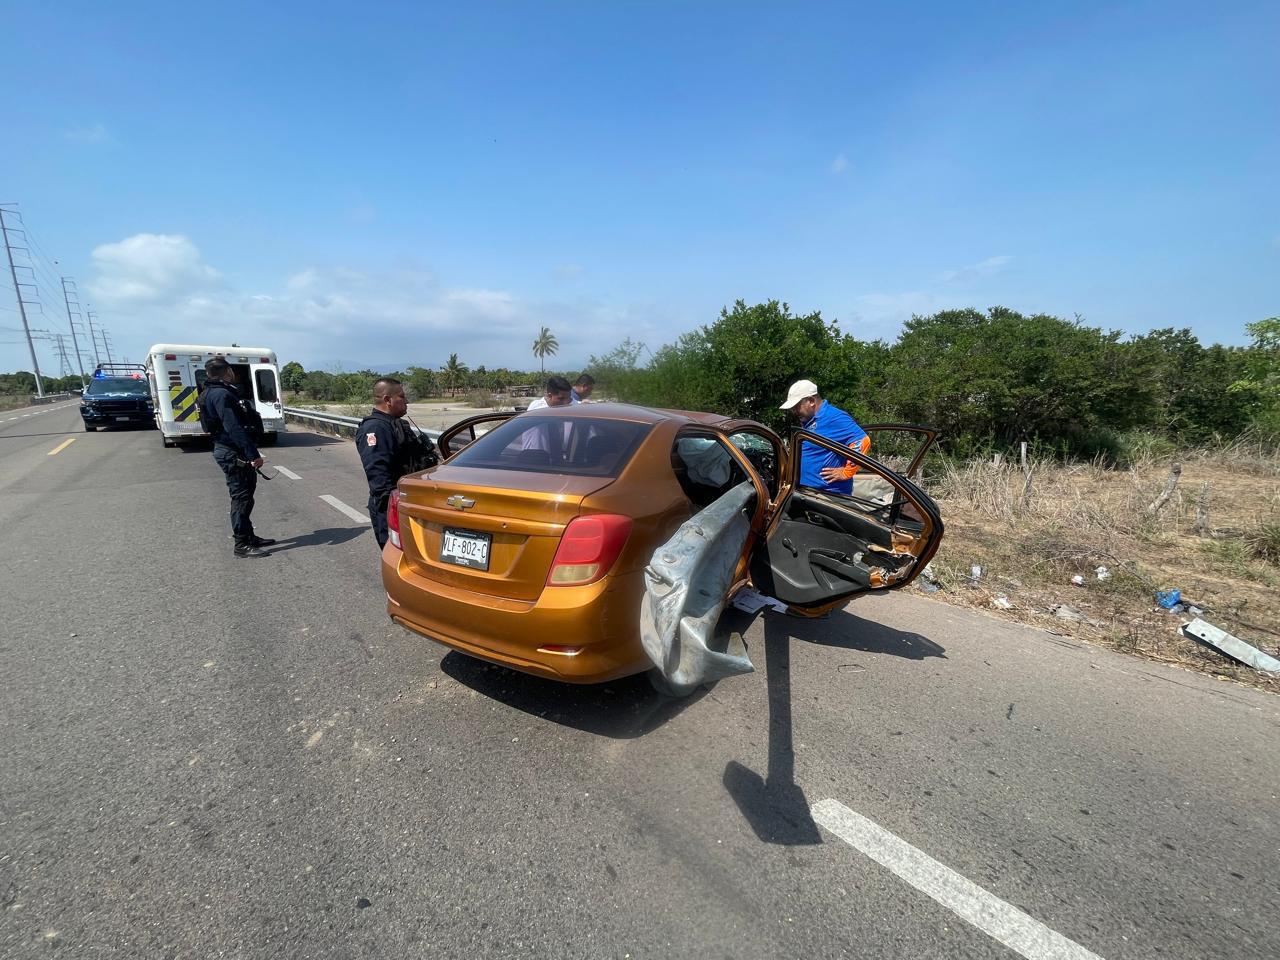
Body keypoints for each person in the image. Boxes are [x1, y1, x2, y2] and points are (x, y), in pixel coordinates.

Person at [199, 357, 273, 558]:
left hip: (226, 448)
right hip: (232, 452)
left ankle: (249, 537)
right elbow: (233, 427)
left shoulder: (207, 393)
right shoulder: (222, 394)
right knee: (241, 498)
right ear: (228, 371)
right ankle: (241, 544)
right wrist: (253, 454)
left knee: (245, 497)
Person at [357, 378, 439, 550]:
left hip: (411, 500)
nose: (406, 401)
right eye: (402, 397)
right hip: (394, 506)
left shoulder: (396, 425)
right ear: (388, 400)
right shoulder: (376, 428)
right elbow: (378, 474)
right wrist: (394, 507)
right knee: (398, 555)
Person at [779, 379, 870, 496]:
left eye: (797, 406)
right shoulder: (809, 420)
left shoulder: (834, 417)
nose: (794, 411)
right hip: (807, 493)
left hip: (827, 497)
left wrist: (847, 472)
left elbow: (863, 440)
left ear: (811, 401)